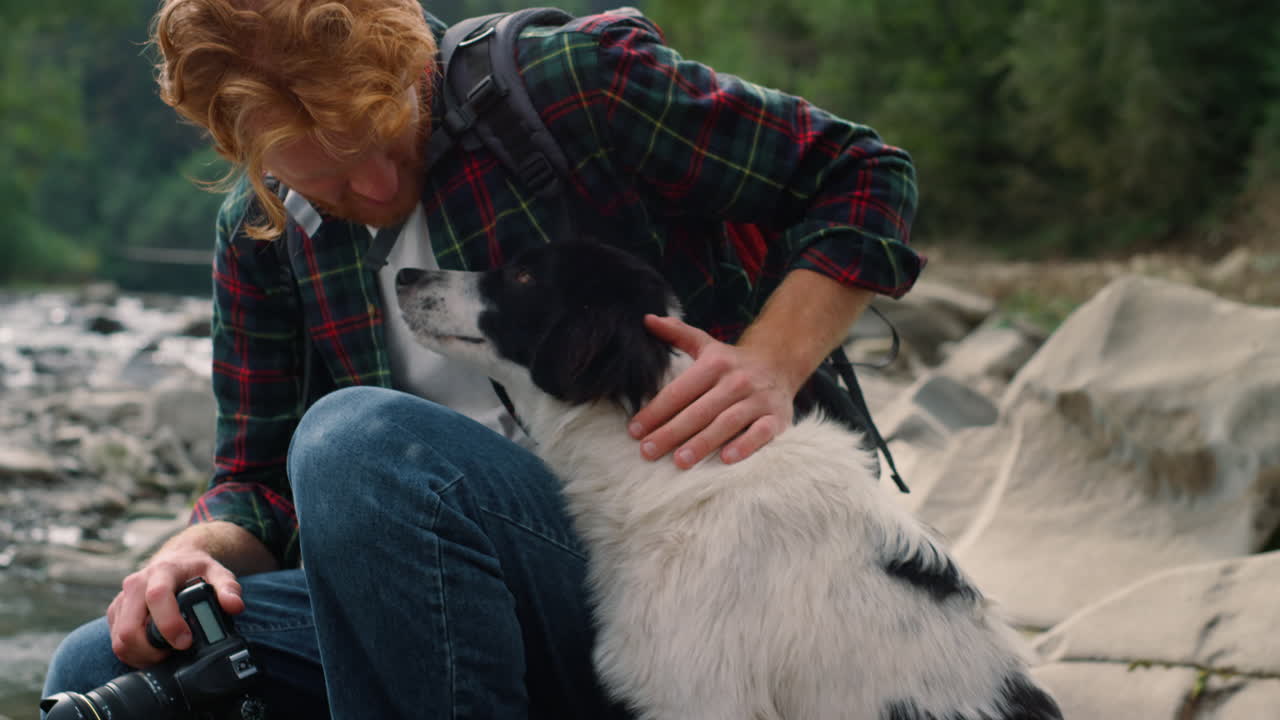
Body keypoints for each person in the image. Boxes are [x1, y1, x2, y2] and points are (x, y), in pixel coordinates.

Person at [42, 1, 922, 717]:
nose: (379, 190)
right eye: (332, 181)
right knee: (101, 667)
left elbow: (862, 172)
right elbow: (260, 482)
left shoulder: (569, 86)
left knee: (359, 440)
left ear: (410, 64)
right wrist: (190, 551)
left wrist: (771, 360)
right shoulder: (261, 238)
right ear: (248, 154)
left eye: (385, 139)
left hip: (691, 584)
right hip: (441, 622)